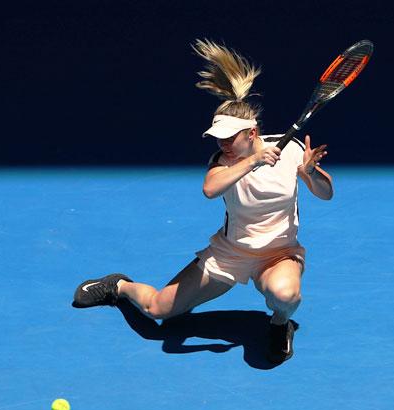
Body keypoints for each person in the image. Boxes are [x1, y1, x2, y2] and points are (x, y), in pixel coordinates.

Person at [73, 39, 333, 364]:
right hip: (229, 255)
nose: (222, 143)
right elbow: (210, 190)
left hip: (278, 254)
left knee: (285, 295)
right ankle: (120, 286)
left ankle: (280, 324)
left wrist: (310, 174)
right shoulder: (223, 162)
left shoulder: (291, 150)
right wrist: (253, 162)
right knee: (158, 311)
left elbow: (325, 194)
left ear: (251, 133)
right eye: (219, 137)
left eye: (230, 137)